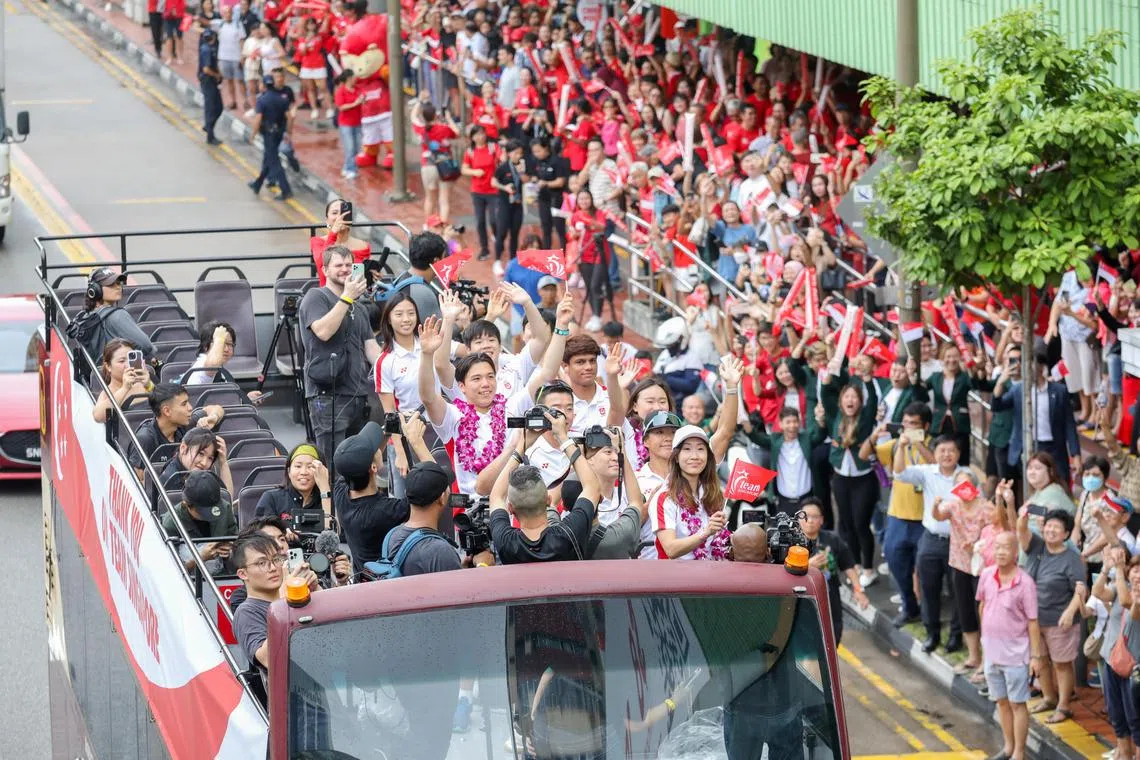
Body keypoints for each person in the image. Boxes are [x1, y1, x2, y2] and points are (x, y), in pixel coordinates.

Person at [299, 245, 381, 462]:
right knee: (332, 462)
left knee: (358, 463)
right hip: (328, 396)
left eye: (349, 265)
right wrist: (346, 298)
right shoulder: (315, 297)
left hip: (358, 395)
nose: (345, 269)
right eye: (338, 265)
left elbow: (371, 348)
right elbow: (323, 332)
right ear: (325, 270)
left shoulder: (359, 307)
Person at [488, 410, 601, 564]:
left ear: (510, 508)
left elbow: (496, 496)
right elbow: (592, 487)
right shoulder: (568, 533)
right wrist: (563, 437)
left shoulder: (506, 542)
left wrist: (521, 447)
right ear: (548, 500)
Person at [334, 416, 441, 574]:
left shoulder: (341, 492)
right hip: (387, 582)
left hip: (362, 578)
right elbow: (438, 485)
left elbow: (361, 461)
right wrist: (416, 441)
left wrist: (389, 430)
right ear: (373, 468)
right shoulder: (385, 512)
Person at [1013, 503, 1086, 725]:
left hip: (1059, 621)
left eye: (1057, 528)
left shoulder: (1072, 559)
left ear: (1066, 534)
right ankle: (1049, 698)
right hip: (1035, 620)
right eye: (1049, 526)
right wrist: (1024, 515)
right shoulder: (1037, 546)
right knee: (1041, 659)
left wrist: (1070, 612)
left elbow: (1081, 589)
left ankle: (1064, 706)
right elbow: (1021, 531)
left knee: (1062, 664)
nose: (1051, 530)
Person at [894, 434, 966, 654]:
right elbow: (899, 473)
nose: (946, 455)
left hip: (958, 541)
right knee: (929, 588)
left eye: (951, 451)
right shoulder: (927, 472)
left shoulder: (965, 476)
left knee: (957, 591)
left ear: (958, 454)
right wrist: (901, 447)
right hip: (931, 539)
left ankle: (956, 635)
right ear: (934, 453)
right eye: (942, 450)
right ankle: (932, 633)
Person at [863, 402, 932, 627]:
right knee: (895, 561)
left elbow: (938, 465)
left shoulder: (934, 445)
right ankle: (909, 606)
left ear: (925, 426)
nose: (908, 428)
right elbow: (864, 454)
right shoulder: (895, 445)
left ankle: (928, 612)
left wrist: (918, 443)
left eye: (914, 424)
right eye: (906, 423)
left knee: (925, 569)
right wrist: (875, 436)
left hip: (925, 519)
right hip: (898, 516)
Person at [976, 531, 1043, 760]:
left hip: (1016, 656)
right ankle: (1008, 748)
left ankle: (1019, 753)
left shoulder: (1026, 583)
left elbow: (1033, 622)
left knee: (1017, 704)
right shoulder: (986, 575)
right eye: (997, 547)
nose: (1001, 552)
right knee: (1001, 702)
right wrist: (985, 641)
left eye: (1006, 548)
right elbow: (982, 606)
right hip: (992, 654)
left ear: (1016, 552)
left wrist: (1035, 657)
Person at [991, 346, 1081, 488]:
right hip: (1028, 446)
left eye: (1029, 363)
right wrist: (1000, 382)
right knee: (1030, 487)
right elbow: (997, 406)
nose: (1025, 368)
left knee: (1060, 484)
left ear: (1041, 366)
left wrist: (1076, 454)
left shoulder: (1059, 391)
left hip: (1053, 448)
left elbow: (1069, 424)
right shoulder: (1019, 390)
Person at [384, 461, 494, 574]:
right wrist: (483, 566)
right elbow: (465, 587)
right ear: (442, 498)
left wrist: (457, 568)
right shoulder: (440, 552)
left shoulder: (392, 536)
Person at [231, 533, 319, 673]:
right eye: (261, 563)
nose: (272, 568)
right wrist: (284, 602)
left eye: (276, 559)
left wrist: (316, 590)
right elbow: (268, 659)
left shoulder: (295, 597)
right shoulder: (246, 612)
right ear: (243, 574)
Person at [932, 470, 989, 678]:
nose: (963, 489)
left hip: (981, 567)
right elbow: (938, 515)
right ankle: (973, 657)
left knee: (982, 613)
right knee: (965, 611)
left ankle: (986, 661)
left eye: (967, 484)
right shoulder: (953, 505)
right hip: (959, 564)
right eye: (959, 485)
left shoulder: (985, 507)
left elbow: (993, 531)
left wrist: (977, 546)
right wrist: (935, 505)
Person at [650, 426, 732, 561]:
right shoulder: (665, 497)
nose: (695, 456)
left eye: (700, 449)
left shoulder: (712, 494)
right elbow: (670, 549)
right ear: (676, 457)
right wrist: (706, 532)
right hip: (675, 573)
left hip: (711, 571)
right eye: (687, 449)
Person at [1090, 546, 1140, 760]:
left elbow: (1129, 605)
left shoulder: (1129, 594)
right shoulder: (1122, 587)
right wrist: (1106, 567)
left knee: (1135, 719)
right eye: (1135, 570)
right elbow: (1097, 592)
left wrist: (1119, 569)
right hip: (1112, 660)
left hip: (1134, 668)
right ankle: (1124, 754)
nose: (1137, 575)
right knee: (1117, 714)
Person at [798, 497, 869, 645]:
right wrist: (807, 565)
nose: (810, 521)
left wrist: (858, 590)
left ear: (822, 520)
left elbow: (848, 565)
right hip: (801, 600)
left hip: (830, 597)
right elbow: (781, 571)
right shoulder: (791, 543)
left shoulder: (832, 539)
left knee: (834, 635)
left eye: (814, 517)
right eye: (806, 516)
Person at [128, 383, 224, 476]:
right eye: (184, 404)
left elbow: (217, 408)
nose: (190, 408)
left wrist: (213, 417)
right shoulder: (145, 439)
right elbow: (138, 480)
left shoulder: (186, 424)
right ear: (167, 411)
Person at [160, 470, 238, 575]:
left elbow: (235, 539)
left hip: (222, 575)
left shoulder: (224, 509)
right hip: (188, 581)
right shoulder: (171, 523)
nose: (209, 517)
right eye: (203, 512)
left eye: (213, 509)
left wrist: (230, 548)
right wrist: (200, 558)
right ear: (186, 504)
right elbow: (169, 572)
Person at [74, 267, 154, 362]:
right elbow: (146, 346)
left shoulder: (85, 316)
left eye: (118, 283)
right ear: (95, 290)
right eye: (111, 284)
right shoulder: (118, 315)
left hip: (101, 369)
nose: (118, 287)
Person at [254, 443, 334, 534]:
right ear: (288, 471)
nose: (303, 472)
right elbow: (260, 535)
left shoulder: (328, 500)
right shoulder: (271, 498)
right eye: (298, 466)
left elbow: (332, 535)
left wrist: (325, 488)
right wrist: (281, 535)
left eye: (310, 467)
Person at [248, 68, 294, 201]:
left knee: (274, 162)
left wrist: (253, 135)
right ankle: (258, 183)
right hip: (279, 132)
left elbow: (258, 119)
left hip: (268, 134)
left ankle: (286, 190)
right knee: (269, 158)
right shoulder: (282, 99)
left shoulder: (262, 100)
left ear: (263, 85)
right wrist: (288, 132)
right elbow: (289, 117)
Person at [460, 125, 500, 261]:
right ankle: (484, 249)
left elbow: (502, 159)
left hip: (493, 189)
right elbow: (464, 169)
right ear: (472, 137)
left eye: (482, 133)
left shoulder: (493, 148)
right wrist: (474, 172)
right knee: (480, 221)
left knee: (494, 219)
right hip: (477, 191)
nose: (480, 137)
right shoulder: (470, 151)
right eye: (476, 135)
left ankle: (497, 236)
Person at [92, 339, 152, 424]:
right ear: (108, 366)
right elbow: (98, 417)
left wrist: (149, 385)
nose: (128, 365)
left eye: (131, 358)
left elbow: (167, 406)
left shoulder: (146, 382)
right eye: (122, 361)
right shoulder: (107, 393)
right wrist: (125, 388)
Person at [392, 231, 445, 323]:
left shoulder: (402, 277)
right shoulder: (423, 292)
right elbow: (440, 329)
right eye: (444, 257)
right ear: (436, 261)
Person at [492, 139, 527, 262]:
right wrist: (504, 187)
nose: (518, 156)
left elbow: (527, 181)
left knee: (515, 233)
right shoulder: (503, 167)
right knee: (501, 233)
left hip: (518, 205)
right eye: (516, 153)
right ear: (509, 153)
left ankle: (512, 261)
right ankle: (497, 260)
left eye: (520, 153)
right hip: (504, 204)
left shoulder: (523, 166)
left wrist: (521, 173)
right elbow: (493, 182)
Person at [333, 70, 364, 179]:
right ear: (349, 79)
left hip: (357, 122)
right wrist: (355, 103)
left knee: (356, 147)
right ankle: (351, 169)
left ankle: (347, 167)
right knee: (349, 147)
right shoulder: (341, 91)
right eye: (353, 77)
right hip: (346, 124)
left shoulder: (357, 89)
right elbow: (341, 107)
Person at [216, 4, 246, 111]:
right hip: (224, 57)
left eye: (229, 12)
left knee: (240, 80)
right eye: (225, 13)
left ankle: (245, 101)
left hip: (236, 57)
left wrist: (242, 55)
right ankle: (233, 101)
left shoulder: (238, 25)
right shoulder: (220, 24)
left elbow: (242, 40)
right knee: (229, 80)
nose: (227, 15)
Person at [198, 28, 224, 145]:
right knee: (211, 107)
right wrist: (216, 75)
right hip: (208, 80)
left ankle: (208, 126)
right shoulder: (206, 49)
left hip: (212, 80)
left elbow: (214, 64)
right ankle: (210, 135)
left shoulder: (211, 48)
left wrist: (219, 74)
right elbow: (206, 69)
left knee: (218, 107)